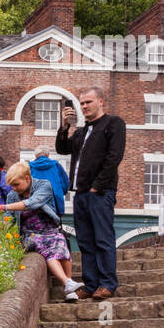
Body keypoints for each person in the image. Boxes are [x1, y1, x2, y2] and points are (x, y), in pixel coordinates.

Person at [56, 87, 125, 300]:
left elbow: (114, 157)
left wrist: (98, 185)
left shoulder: (113, 124)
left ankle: (107, 283)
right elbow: (62, 148)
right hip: (81, 194)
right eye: (82, 103)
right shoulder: (81, 132)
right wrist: (64, 126)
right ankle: (91, 283)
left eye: (88, 102)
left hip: (100, 192)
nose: (84, 106)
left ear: (100, 101)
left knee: (103, 238)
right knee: (85, 241)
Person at [0, 161, 82, 300]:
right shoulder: (13, 195)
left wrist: (2, 207)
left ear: (27, 179)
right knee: (46, 246)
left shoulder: (44, 185)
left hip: (50, 229)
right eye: (11, 185)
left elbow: (32, 203)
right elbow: (8, 220)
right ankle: (67, 283)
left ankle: (69, 286)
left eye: (16, 184)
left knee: (61, 242)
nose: (13, 188)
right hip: (29, 234)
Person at [28, 150, 69, 216]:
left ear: (36, 156)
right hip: (55, 201)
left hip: (35, 201)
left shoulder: (30, 166)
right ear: (48, 155)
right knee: (54, 224)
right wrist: (61, 192)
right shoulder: (56, 165)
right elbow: (65, 184)